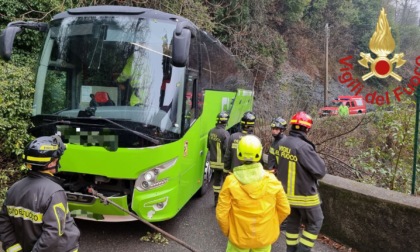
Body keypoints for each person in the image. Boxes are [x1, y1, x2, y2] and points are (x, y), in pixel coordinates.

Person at [0, 136, 80, 252]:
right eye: (56, 159)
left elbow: (4, 222)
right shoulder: (54, 192)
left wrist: (14, 248)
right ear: (50, 163)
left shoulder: (14, 188)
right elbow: (53, 233)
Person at [216, 134, 291, 252]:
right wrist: (270, 226)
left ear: (239, 153)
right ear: (259, 153)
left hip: (238, 240)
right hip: (263, 239)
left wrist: (230, 232)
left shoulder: (231, 181)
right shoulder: (272, 180)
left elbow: (222, 214)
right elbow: (285, 209)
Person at [275, 111, 326, 252]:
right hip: (304, 196)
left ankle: (290, 250)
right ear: (307, 129)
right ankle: (303, 249)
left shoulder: (282, 143)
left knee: (292, 223)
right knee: (316, 221)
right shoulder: (303, 147)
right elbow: (320, 171)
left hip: (286, 195)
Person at [207, 111, 231, 206]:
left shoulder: (211, 132)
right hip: (223, 163)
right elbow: (227, 150)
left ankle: (216, 201)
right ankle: (224, 202)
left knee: (216, 182)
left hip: (213, 162)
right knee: (226, 182)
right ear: (225, 122)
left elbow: (208, 146)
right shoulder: (225, 134)